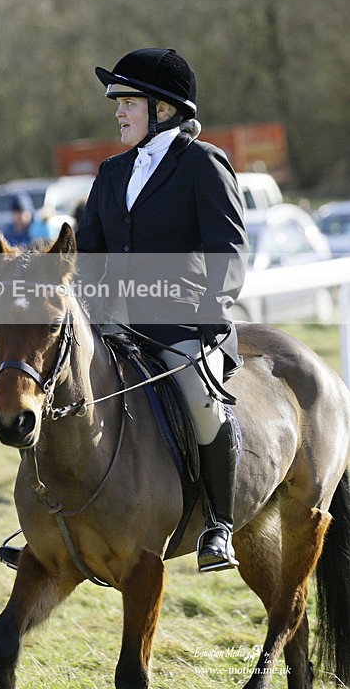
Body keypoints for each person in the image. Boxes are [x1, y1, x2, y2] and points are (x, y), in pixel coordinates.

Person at [75, 48, 248, 572]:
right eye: (118, 104)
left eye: (128, 102)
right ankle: (55, 521)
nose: (119, 113)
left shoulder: (202, 164)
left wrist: (211, 312)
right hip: (116, 329)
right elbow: (88, 256)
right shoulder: (110, 173)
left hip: (183, 325)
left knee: (201, 401)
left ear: (163, 110)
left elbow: (229, 248)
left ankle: (219, 523)